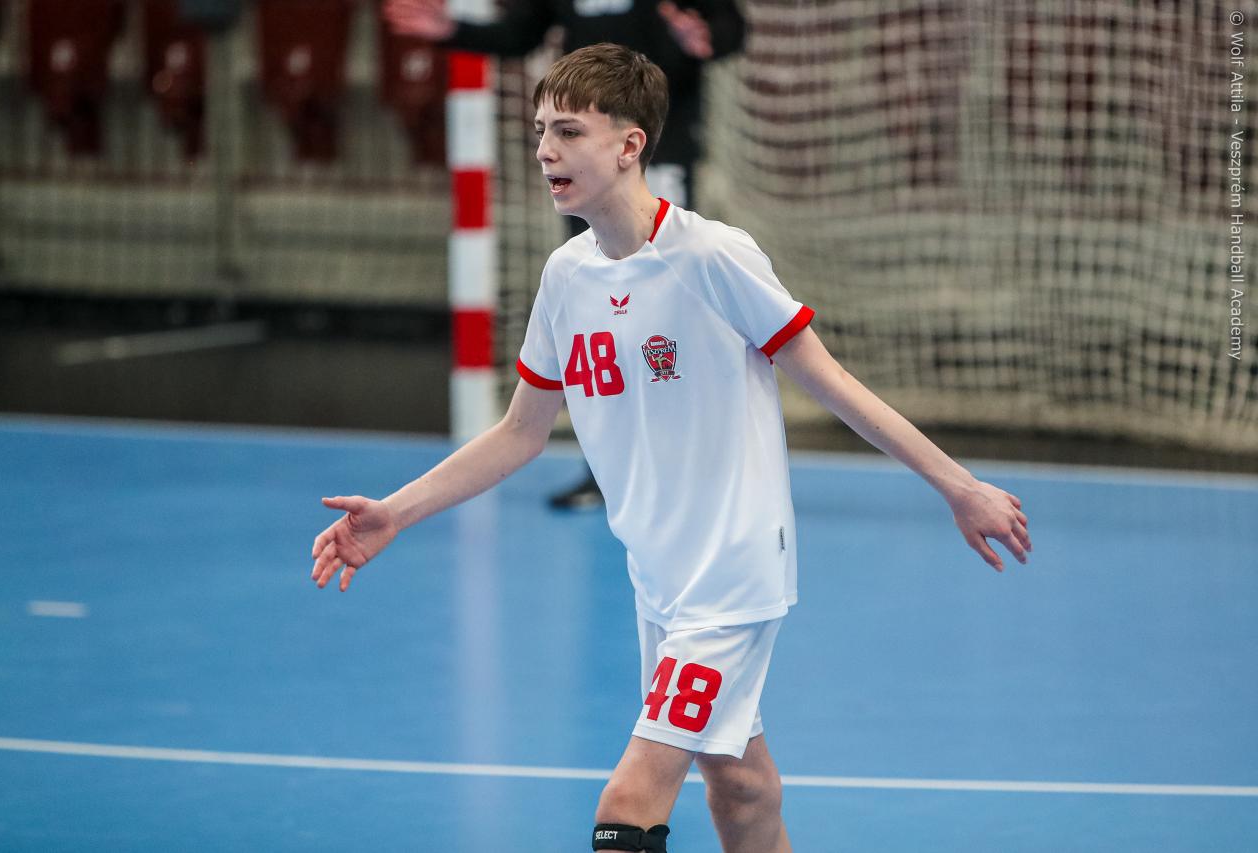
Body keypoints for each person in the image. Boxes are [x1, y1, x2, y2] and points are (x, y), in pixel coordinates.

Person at [309, 44, 1032, 852]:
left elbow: (832, 383)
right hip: (658, 577)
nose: (545, 149)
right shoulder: (565, 277)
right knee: (740, 782)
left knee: (630, 800)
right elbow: (520, 432)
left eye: (569, 131)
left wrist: (957, 485)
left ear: (630, 145)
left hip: (733, 575)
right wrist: (395, 513)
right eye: (540, 130)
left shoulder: (712, 255)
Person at [383, 0, 746, 510]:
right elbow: (523, 31)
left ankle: (695, 454)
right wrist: (455, 30)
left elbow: (730, 26)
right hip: (587, 168)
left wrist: (705, 38)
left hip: (661, 152)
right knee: (603, 318)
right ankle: (607, 466)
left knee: (668, 310)